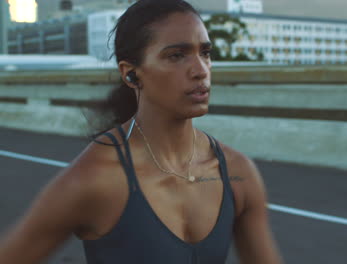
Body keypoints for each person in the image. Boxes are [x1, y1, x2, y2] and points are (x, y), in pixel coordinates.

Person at [0, 0, 283, 263]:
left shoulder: (237, 174)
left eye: (205, 53)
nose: (200, 70)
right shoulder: (95, 178)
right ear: (131, 74)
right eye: (176, 55)